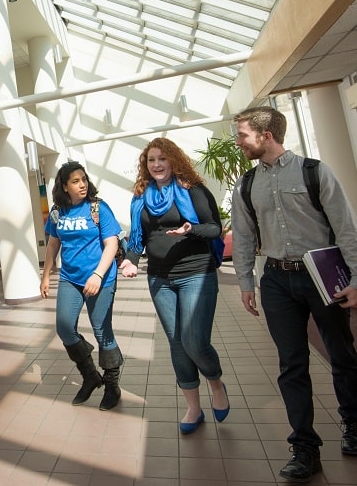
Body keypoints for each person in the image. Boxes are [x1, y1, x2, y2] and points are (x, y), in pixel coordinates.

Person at [232, 107, 357, 483]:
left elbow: (346, 226)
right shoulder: (246, 184)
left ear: (265, 135)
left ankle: (356, 423)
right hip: (277, 279)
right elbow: (244, 236)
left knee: (341, 352)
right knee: (291, 365)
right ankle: (305, 448)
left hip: (322, 277)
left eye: (242, 134)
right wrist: (246, 282)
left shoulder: (314, 172)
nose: (237, 141)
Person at [122, 137, 230, 434]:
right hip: (159, 277)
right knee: (178, 343)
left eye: (162, 159)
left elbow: (214, 227)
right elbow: (137, 239)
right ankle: (193, 408)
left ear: (173, 160)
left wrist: (190, 229)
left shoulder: (191, 190)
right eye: (151, 160)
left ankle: (216, 382)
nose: (156, 165)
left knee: (194, 340)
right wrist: (131, 260)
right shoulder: (141, 196)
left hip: (196, 272)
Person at [40, 160, 133, 410]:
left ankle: (112, 386)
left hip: (100, 277)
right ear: (64, 186)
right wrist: (46, 275)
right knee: (64, 327)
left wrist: (98, 275)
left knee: (102, 331)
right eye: (75, 181)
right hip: (70, 278)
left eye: (83, 179)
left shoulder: (98, 208)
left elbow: (112, 244)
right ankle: (91, 376)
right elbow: (52, 244)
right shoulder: (58, 212)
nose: (82, 185)